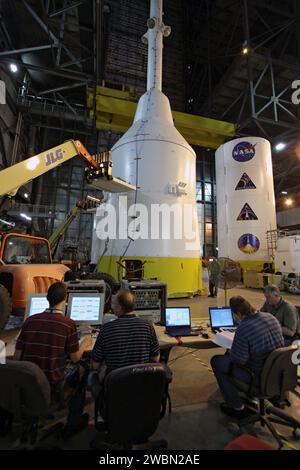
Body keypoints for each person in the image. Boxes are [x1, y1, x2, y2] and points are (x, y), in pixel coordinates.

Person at [13, 282, 92, 437]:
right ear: (66, 298)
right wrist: (84, 344)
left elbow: (16, 357)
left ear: (47, 298)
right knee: (84, 368)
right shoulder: (68, 324)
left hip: (28, 385)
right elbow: (75, 358)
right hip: (53, 386)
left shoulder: (29, 321)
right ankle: (73, 423)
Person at [211, 296, 284, 419]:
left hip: (258, 376)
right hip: (278, 373)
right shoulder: (271, 317)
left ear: (238, 314)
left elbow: (239, 360)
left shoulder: (244, 327)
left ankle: (237, 407)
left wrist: (233, 350)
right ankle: (252, 399)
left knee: (217, 361)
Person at [92, 289, 160, 375]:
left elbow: (95, 364)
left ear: (119, 307)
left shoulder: (106, 329)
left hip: (114, 384)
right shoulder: (147, 326)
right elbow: (155, 358)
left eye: (113, 304)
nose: (111, 307)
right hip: (141, 381)